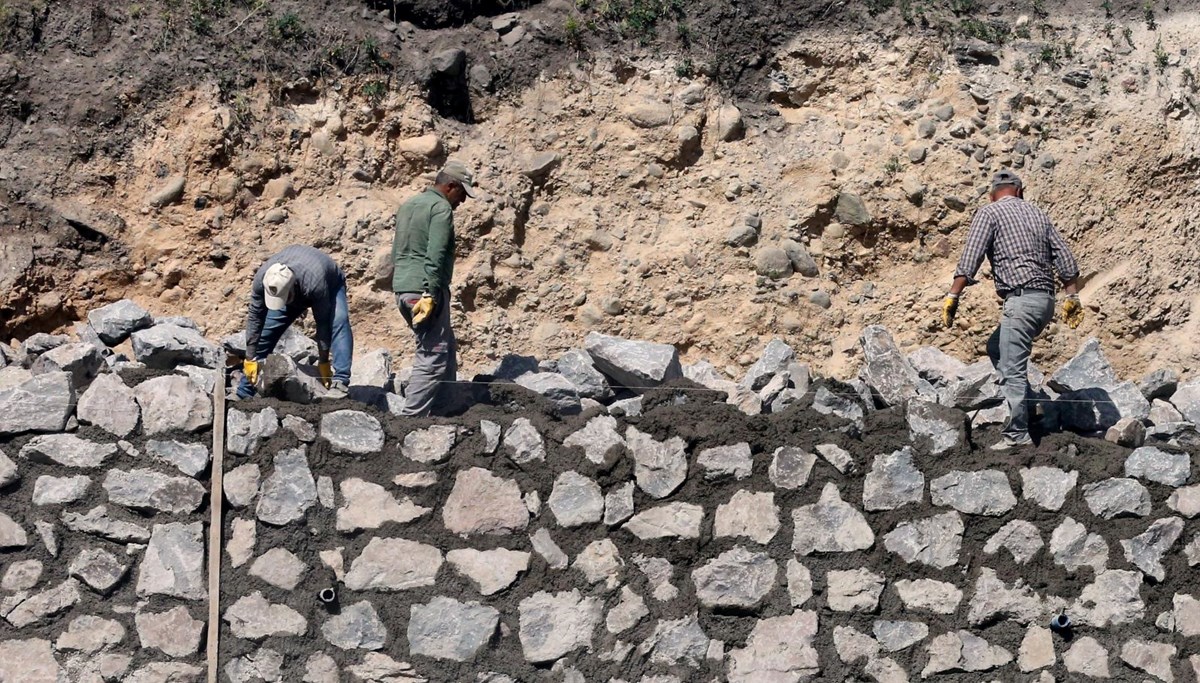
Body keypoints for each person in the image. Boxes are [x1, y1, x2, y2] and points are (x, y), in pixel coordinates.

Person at [943, 171, 1084, 450]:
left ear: (991, 194)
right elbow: (1066, 259)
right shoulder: (1038, 214)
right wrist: (1073, 297)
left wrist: (953, 295)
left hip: (1020, 300)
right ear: (1020, 191)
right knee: (996, 347)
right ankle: (1030, 406)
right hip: (1045, 302)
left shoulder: (989, 213)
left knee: (1012, 369)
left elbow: (972, 255)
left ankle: (1017, 434)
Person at [391, 160, 476, 416]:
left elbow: (398, 250)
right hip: (425, 289)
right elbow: (436, 253)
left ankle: (446, 405)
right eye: (462, 193)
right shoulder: (441, 209)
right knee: (433, 353)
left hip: (404, 287)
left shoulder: (409, 205)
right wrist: (429, 292)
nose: (463, 201)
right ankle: (411, 418)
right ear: (451, 186)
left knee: (445, 343)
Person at [239, 245, 353, 400]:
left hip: (330, 284)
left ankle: (340, 381)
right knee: (266, 333)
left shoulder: (315, 283)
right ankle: (244, 390)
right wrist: (249, 358)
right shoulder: (264, 280)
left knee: (338, 322)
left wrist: (323, 361)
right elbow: (255, 318)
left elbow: (323, 323)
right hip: (296, 287)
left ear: (292, 288)